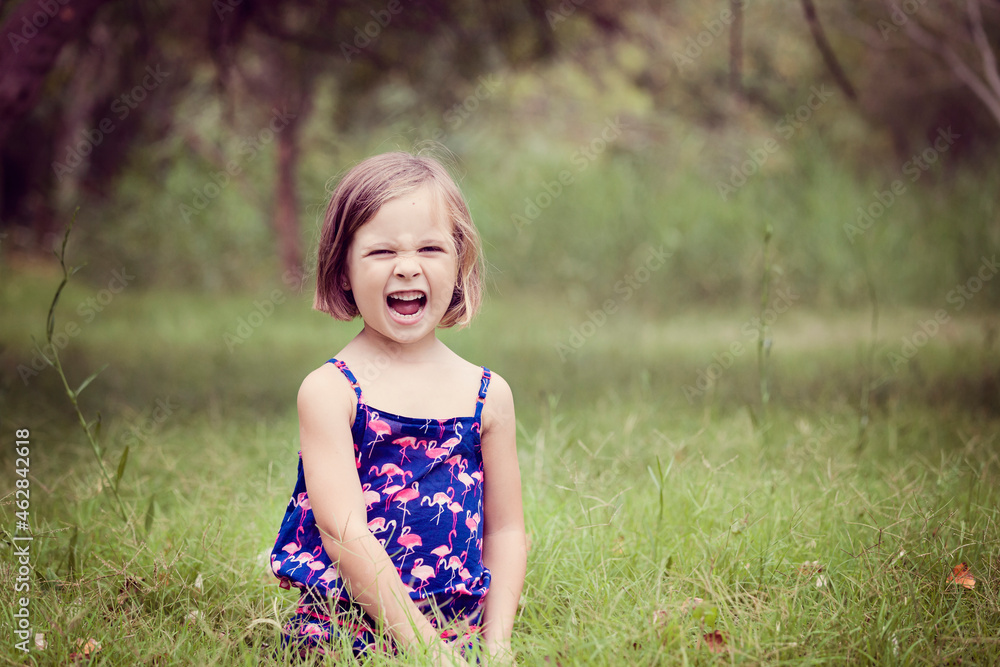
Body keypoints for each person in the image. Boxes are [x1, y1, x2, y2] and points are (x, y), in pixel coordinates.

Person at [270, 151, 526, 664]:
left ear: (459, 263)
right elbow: (343, 532)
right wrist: (424, 650)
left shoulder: (487, 394)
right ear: (342, 270)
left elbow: (506, 529)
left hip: (457, 627)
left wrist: (496, 647)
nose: (407, 267)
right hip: (340, 628)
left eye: (430, 248)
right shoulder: (331, 391)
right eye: (381, 251)